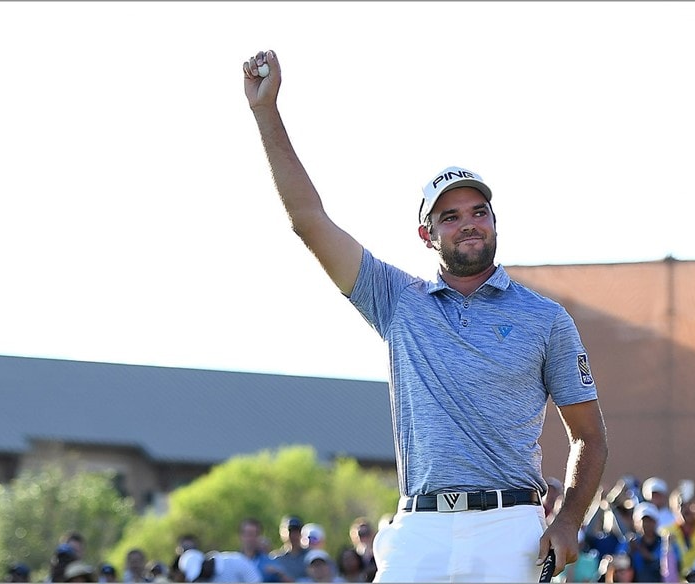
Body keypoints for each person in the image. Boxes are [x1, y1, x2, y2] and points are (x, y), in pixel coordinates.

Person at [242, 49, 608, 583]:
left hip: (511, 529)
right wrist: (265, 112)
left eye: (479, 211)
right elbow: (308, 219)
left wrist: (570, 518)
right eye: (451, 216)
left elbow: (590, 437)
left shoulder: (545, 318)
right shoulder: (395, 298)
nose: (470, 224)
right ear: (427, 234)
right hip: (420, 530)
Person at [239, 518, 287, 582]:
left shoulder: (270, 562)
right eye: (248, 534)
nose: (250, 538)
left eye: (254, 534)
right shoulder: (234, 560)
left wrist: (279, 573)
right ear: (241, 536)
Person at [178, 549, 263, 583]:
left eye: (201, 572)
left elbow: (256, 581)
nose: (201, 577)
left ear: (205, 561)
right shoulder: (200, 580)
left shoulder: (237, 561)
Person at [271, 516, 308, 582]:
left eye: (296, 531)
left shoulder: (309, 557)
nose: (293, 535)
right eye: (290, 531)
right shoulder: (275, 558)